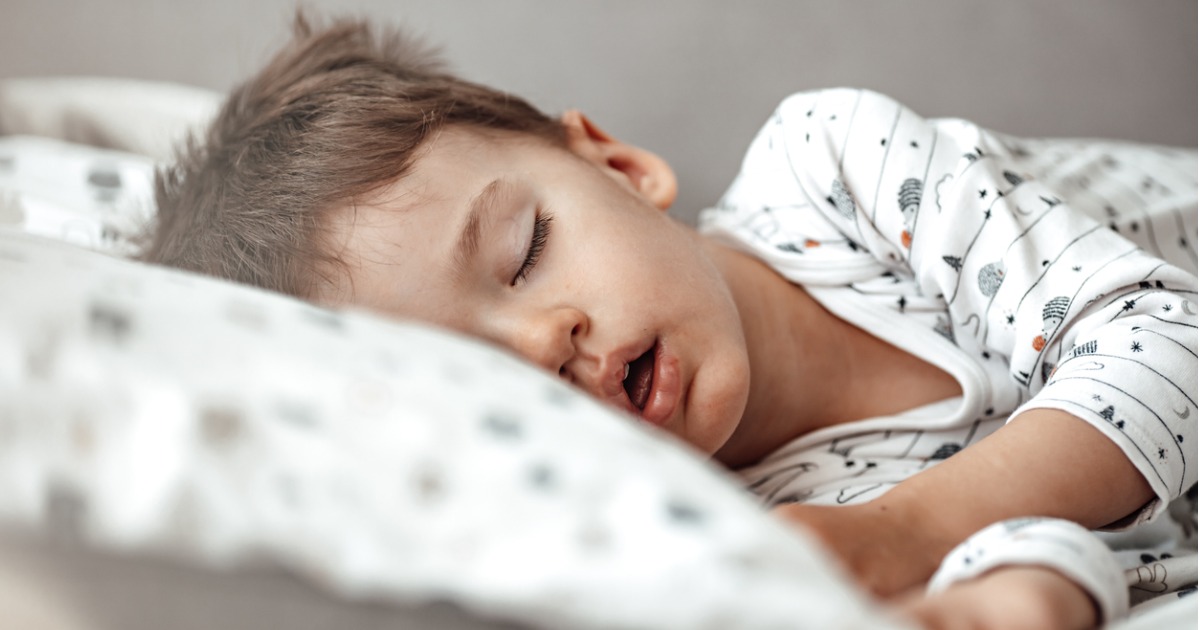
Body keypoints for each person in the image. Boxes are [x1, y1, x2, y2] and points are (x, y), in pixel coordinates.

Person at [143, 14, 1198, 629]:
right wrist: (1025, 590)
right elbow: (1128, 529)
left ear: (616, 164)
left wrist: (904, 534)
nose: (541, 345)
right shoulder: (737, 521)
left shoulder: (838, 170)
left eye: (525, 253)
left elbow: (1167, 343)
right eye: (480, 381)